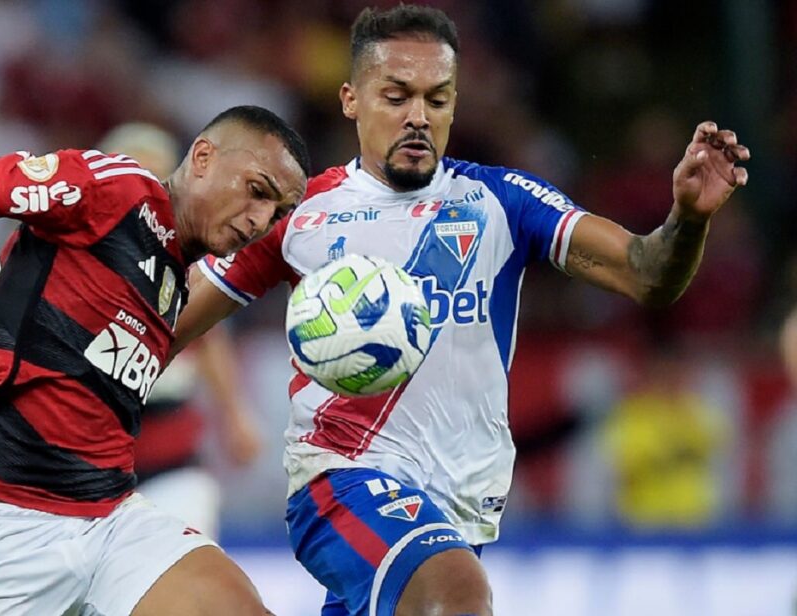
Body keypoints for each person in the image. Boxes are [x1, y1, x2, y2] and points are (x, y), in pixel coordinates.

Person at [171, 6, 750, 616]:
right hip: (340, 480)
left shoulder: (503, 200)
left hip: (456, 505)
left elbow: (643, 273)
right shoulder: (299, 213)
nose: (418, 116)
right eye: (395, 96)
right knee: (458, 595)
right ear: (351, 99)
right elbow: (170, 324)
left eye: (437, 99)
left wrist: (687, 218)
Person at [0, 105, 309, 616]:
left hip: (113, 517)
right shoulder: (118, 190)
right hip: (9, 528)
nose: (259, 220)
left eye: (276, 212)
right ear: (203, 157)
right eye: (256, 190)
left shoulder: (175, 275)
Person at [98, 122, 263, 537]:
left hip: (174, 463)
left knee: (182, 578)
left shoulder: (184, 263)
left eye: (156, 179)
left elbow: (209, 341)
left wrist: (235, 416)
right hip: (88, 473)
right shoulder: (75, 259)